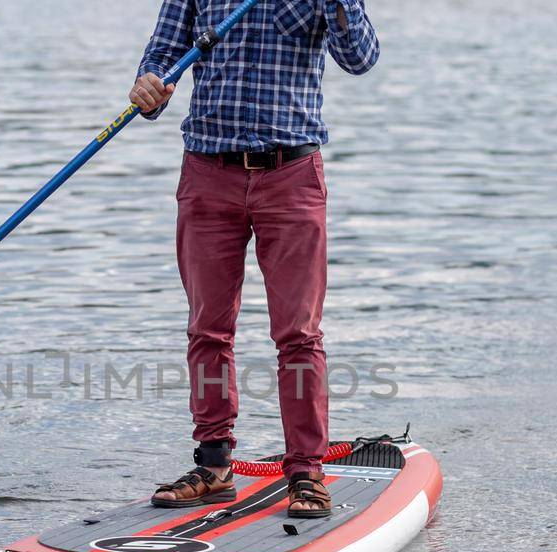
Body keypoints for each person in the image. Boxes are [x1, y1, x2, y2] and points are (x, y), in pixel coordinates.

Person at [133, 1, 379, 517]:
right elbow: (161, 55)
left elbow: (360, 58)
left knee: (298, 334)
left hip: (291, 175)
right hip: (207, 172)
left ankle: (307, 472)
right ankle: (214, 463)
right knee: (208, 327)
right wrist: (149, 87)